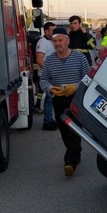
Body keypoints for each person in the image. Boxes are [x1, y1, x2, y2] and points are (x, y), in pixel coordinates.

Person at [39, 27, 90, 177]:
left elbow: (88, 77)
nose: (57, 44)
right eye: (54, 41)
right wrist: (50, 88)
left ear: (67, 41)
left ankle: (70, 162)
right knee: (63, 129)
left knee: (73, 128)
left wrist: (76, 86)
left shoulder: (79, 57)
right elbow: (43, 79)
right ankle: (75, 153)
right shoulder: (49, 60)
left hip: (76, 99)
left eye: (60, 40)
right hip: (59, 99)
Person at [36, 22, 57, 131]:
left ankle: (50, 120)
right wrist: (50, 72)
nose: (54, 32)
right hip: (47, 75)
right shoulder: (43, 42)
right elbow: (39, 60)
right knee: (50, 98)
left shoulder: (52, 41)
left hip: (52, 74)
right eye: (52, 30)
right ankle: (48, 121)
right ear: (46, 31)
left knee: (51, 99)